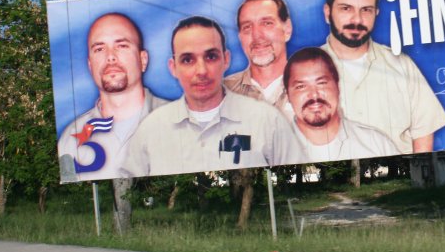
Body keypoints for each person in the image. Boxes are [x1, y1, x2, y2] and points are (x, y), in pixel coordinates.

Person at [121, 16, 303, 177]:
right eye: (187, 60)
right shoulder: (150, 130)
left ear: (226, 60)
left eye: (210, 57)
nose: (201, 71)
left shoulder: (267, 120)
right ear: (173, 67)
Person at [320, 0, 445, 154]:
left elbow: (424, 131)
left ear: (376, 13)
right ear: (328, 12)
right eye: (346, 8)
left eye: (366, 10)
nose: (357, 20)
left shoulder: (401, 64)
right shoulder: (303, 70)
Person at [58, 13, 166, 183]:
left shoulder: (179, 122)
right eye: (99, 49)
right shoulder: (70, 138)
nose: (110, 57)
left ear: (143, 60)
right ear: (90, 65)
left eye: (121, 46)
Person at [284, 47, 398, 162]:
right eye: (301, 87)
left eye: (321, 83)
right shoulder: (277, 152)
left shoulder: (377, 145)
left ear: (337, 86)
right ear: (287, 95)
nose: (314, 94)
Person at [224, 0, 292, 110]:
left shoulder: (314, 86)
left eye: (267, 23)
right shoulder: (221, 93)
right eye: (247, 27)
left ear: (287, 30)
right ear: (240, 37)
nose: (257, 36)